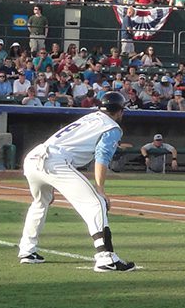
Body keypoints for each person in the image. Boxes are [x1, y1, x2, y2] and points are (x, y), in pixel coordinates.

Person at [17, 93, 135, 272]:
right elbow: (101, 157)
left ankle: (27, 250)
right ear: (120, 110)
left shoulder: (91, 117)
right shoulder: (112, 127)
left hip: (34, 156)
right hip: (54, 161)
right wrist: (100, 189)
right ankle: (106, 258)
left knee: (40, 203)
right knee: (96, 203)